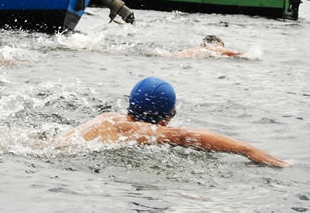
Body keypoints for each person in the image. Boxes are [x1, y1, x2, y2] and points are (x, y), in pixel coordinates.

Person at [62, 77, 287, 167]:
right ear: (165, 118)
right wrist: (247, 150)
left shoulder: (110, 118)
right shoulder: (135, 131)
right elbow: (183, 136)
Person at [173, 35, 242, 58]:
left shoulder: (197, 49)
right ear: (216, 42)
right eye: (222, 46)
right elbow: (230, 53)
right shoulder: (211, 47)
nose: (222, 48)